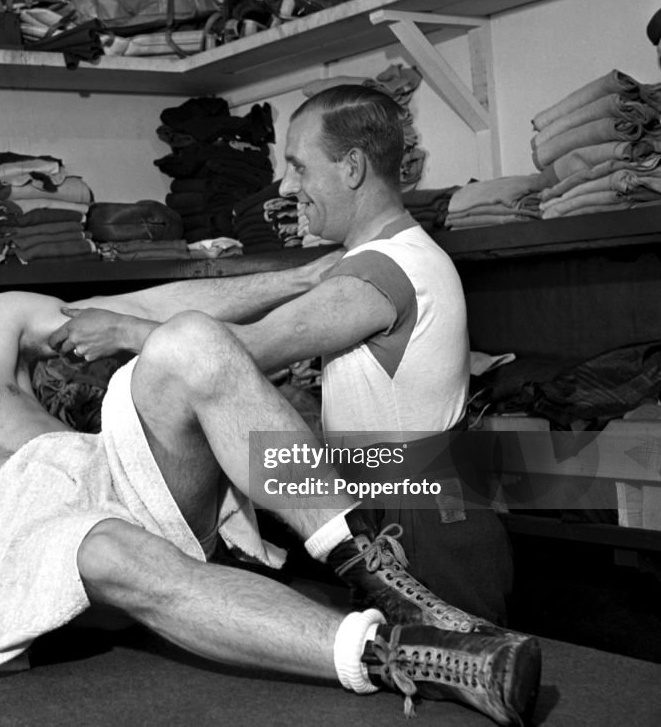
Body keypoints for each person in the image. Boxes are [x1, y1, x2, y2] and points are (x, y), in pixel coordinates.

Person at [0, 206, 539, 726]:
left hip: (117, 480)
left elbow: (145, 301)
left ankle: (366, 564)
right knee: (99, 541)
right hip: (36, 560)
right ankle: (395, 656)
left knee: (188, 339)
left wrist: (299, 280)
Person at [53, 85, 513, 624]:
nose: (288, 185)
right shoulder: (380, 258)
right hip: (407, 500)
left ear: (353, 168)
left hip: (426, 516)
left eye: (298, 166)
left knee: (461, 670)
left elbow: (244, 350)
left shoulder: (384, 270)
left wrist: (121, 330)